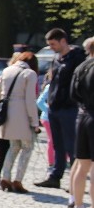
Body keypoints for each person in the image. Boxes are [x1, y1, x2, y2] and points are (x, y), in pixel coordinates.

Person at [34, 28, 86, 188]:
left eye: (53, 44)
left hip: (69, 107)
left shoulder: (77, 58)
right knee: (57, 144)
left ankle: (76, 180)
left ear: (63, 41)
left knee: (71, 145)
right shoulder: (56, 59)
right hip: (54, 107)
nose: (51, 48)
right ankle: (55, 176)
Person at [0, 52, 39, 193]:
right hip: (23, 115)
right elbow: (30, 100)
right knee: (27, 148)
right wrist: (35, 121)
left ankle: (5, 177)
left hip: (8, 114)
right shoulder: (29, 74)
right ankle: (18, 180)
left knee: (13, 147)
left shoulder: (7, 70)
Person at [68, 37, 94, 208]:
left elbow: (73, 94)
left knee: (81, 164)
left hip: (82, 116)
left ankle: (77, 207)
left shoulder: (81, 67)